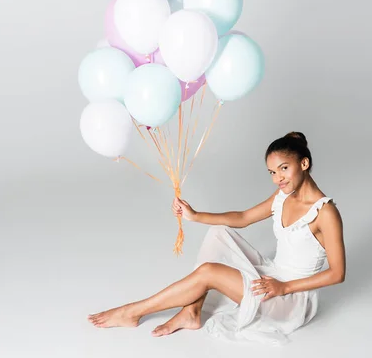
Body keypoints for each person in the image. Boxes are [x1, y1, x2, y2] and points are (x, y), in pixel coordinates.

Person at [87, 132, 345, 344]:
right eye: (272, 172)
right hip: (273, 276)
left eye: (283, 169)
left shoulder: (326, 212)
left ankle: (132, 312)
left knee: (209, 272)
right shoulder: (282, 197)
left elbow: (337, 274)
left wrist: (284, 287)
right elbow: (243, 217)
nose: (278, 179)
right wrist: (195, 215)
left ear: (304, 163)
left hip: (289, 300)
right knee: (218, 233)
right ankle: (191, 311)